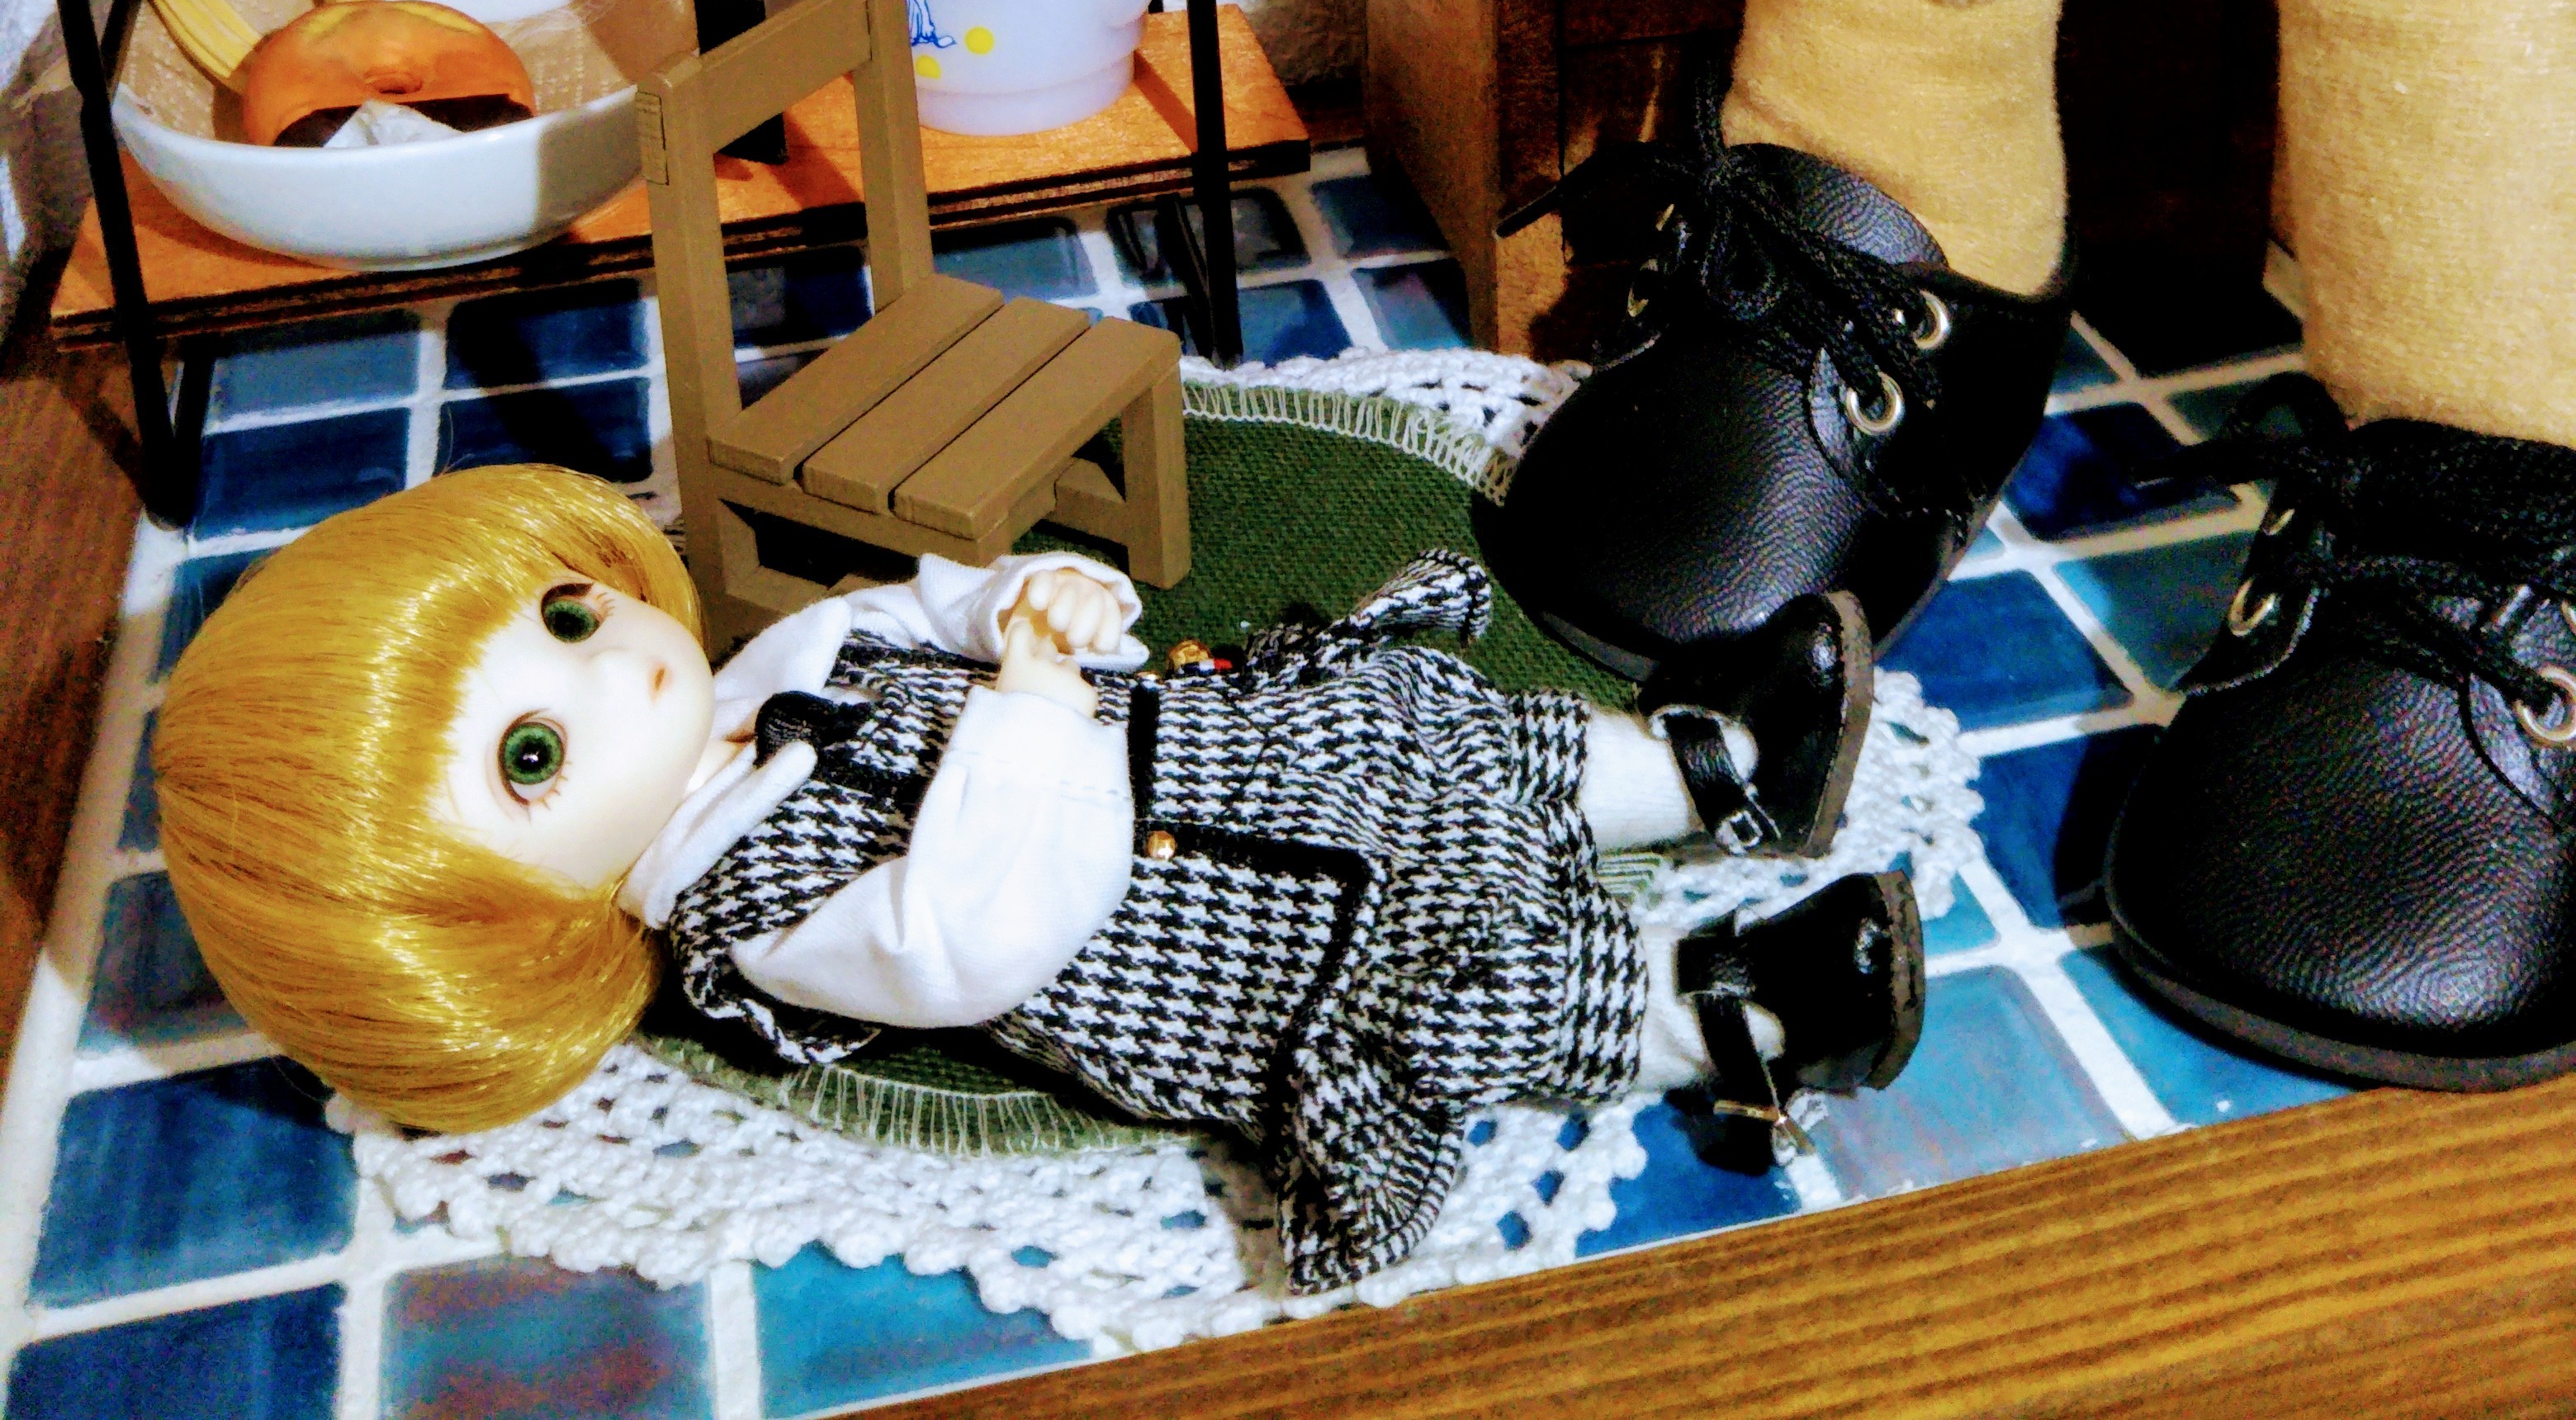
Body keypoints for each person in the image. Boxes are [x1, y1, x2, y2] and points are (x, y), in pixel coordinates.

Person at [158, 462, 1923, 1290]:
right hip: (1189, 950)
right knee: (1459, 991)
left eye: (563, 616)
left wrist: (1014, 604)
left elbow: (904, 615)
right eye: (536, 758)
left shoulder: (763, 675)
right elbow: (971, 936)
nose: (611, 662)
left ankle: (1711, 769)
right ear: (501, 923)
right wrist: (1025, 710)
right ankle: (1734, 1012)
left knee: (1418, 728)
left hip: (1210, 751)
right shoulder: (747, 914)